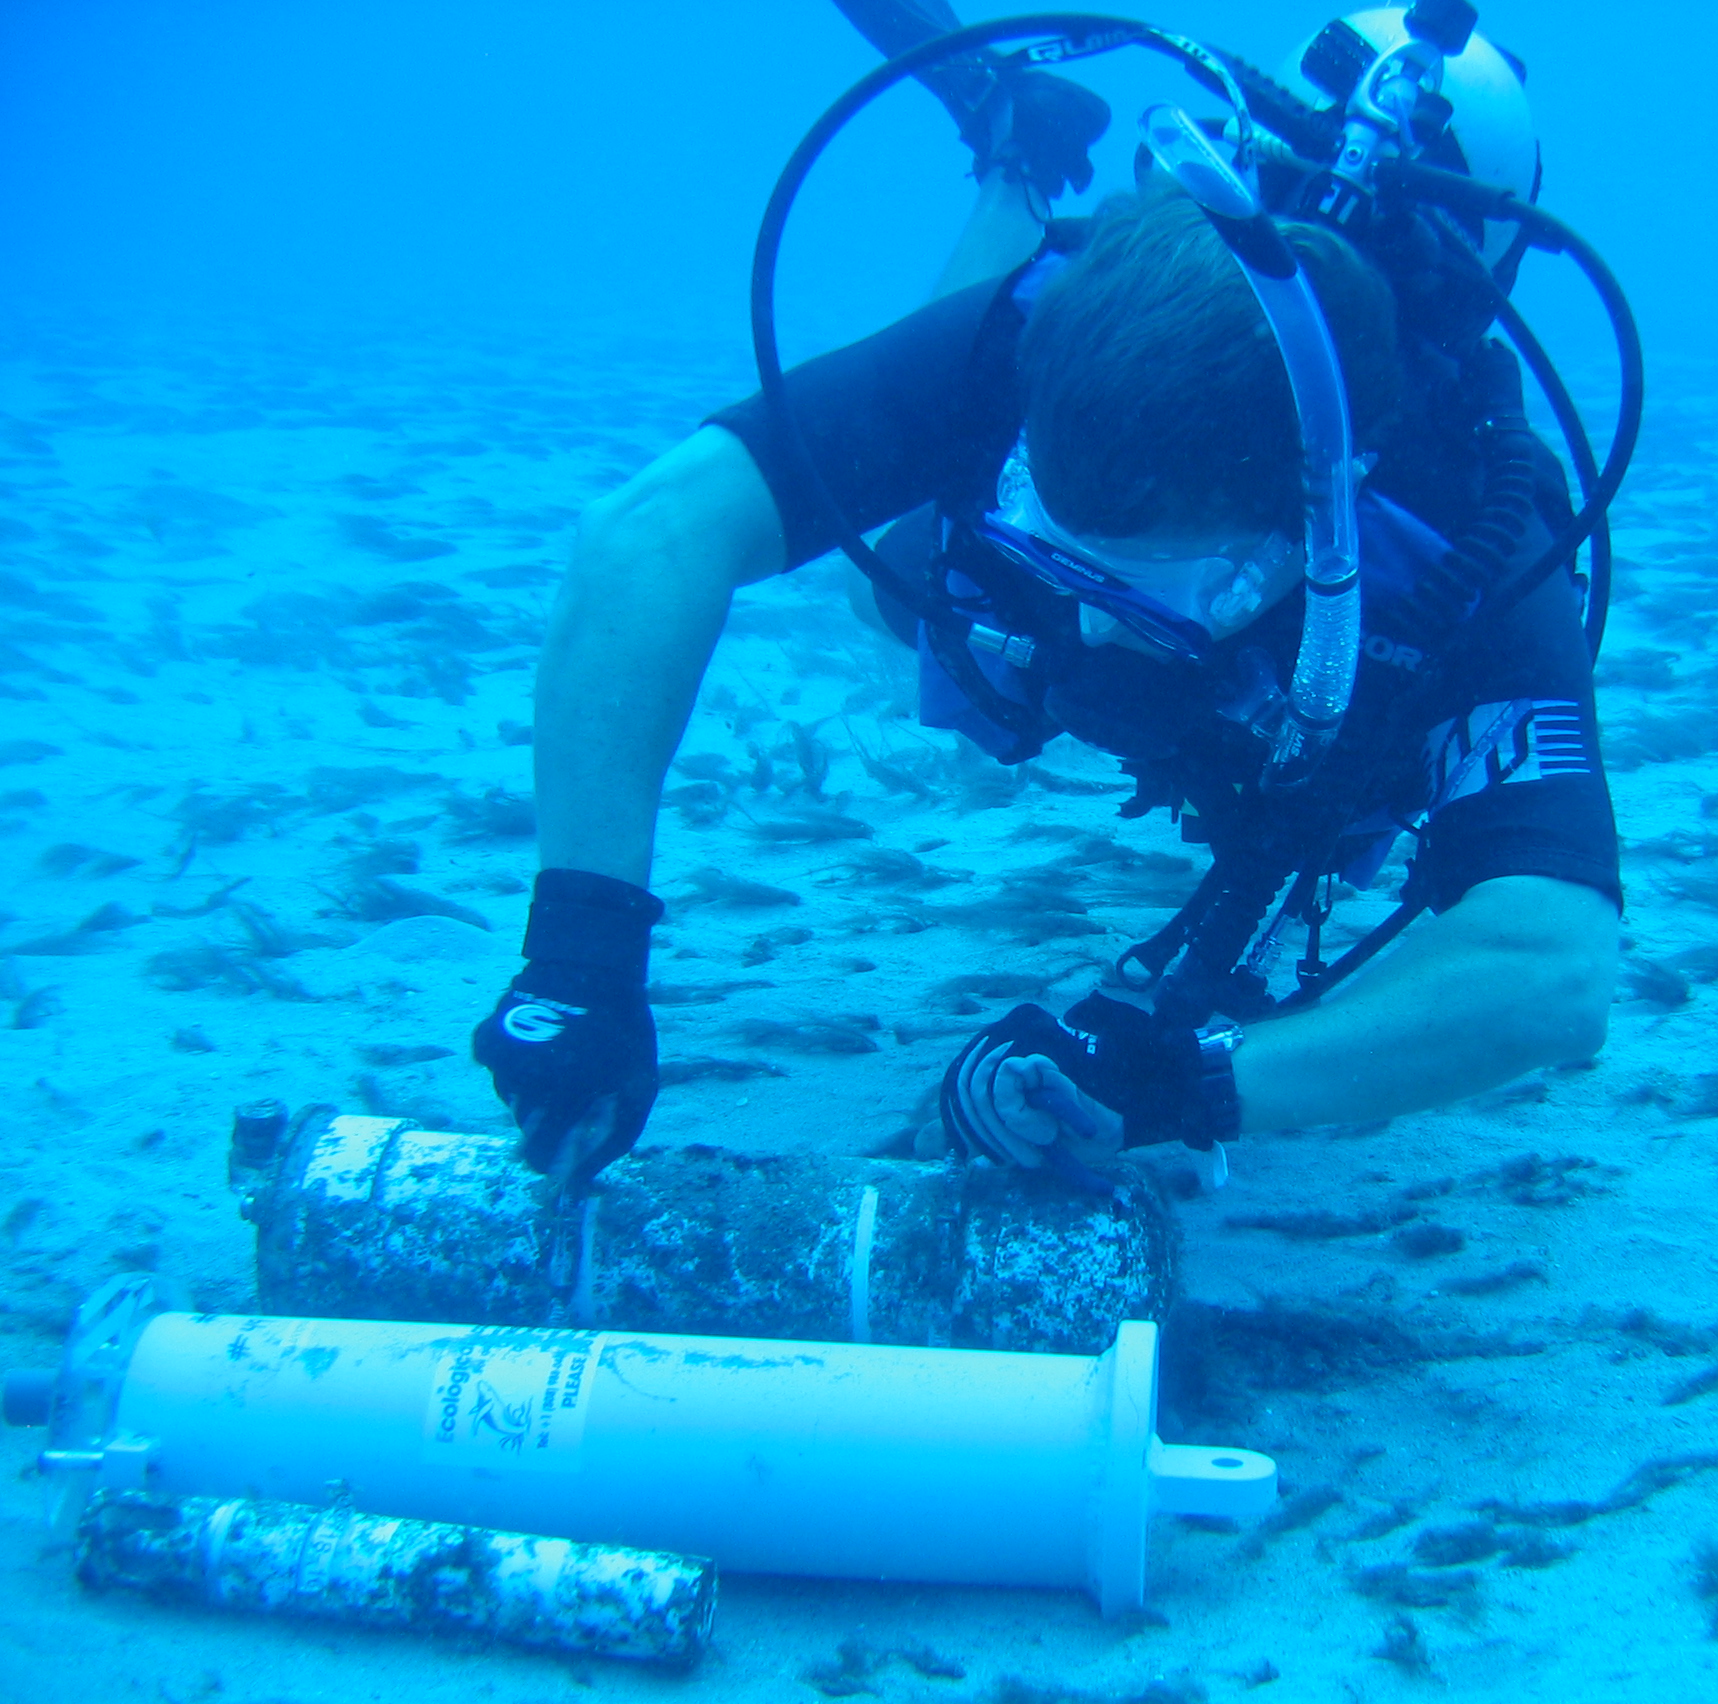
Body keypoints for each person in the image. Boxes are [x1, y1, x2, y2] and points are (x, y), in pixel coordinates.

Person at [473, 5, 1623, 1190]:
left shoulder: (1471, 540)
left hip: (1313, 718)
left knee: (1350, 825)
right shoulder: (1039, 322)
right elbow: (648, 534)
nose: (1085, 624)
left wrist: (1185, 1088)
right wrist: (580, 950)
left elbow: (1551, 965)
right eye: (1057, 543)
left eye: (1162, 585)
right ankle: (1015, 152)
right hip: (1084, 480)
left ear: (1316, 530)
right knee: (898, 588)